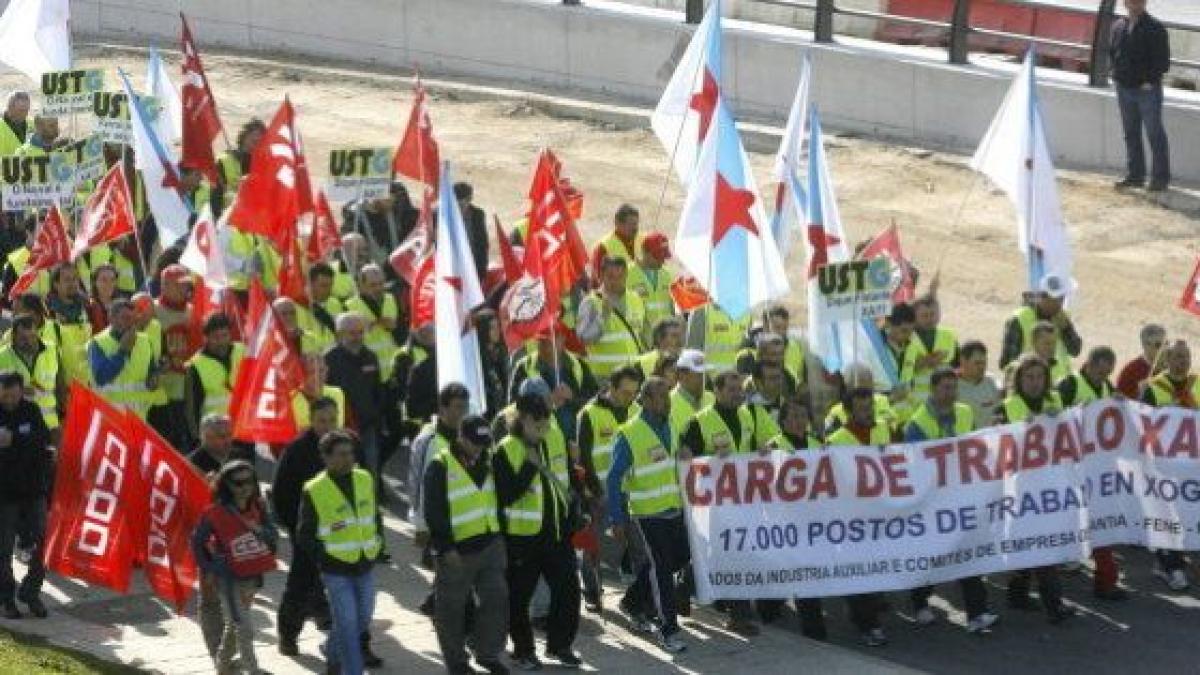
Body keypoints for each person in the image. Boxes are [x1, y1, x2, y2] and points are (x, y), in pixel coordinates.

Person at [904, 368, 999, 634]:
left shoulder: (965, 412)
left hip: (960, 497)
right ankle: (920, 603)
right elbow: (916, 466)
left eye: (953, 387)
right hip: (932, 502)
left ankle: (977, 613)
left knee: (967, 553)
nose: (950, 393)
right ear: (933, 389)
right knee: (930, 557)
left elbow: (974, 446)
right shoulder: (918, 423)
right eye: (945, 388)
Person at [679, 370, 774, 636]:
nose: (737, 394)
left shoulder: (749, 416)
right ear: (717, 391)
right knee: (720, 552)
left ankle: (734, 613)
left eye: (740, 389)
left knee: (734, 552)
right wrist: (711, 459)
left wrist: (764, 450)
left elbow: (760, 448)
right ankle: (686, 589)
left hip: (744, 500)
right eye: (731, 389)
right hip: (712, 505)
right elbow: (686, 461)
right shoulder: (698, 422)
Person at [494, 393, 584, 670]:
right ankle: (523, 650)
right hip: (522, 539)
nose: (543, 429)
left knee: (569, 592)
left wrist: (576, 511)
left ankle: (560, 646)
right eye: (537, 424)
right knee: (519, 598)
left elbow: (566, 476)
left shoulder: (554, 436)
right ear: (521, 419)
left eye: (547, 422)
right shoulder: (506, 449)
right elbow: (504, 495)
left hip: (557, 533)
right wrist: (528, 468)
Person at [606, 376, 689, 653]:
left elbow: (674, 460)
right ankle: (669, 630)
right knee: (662, 570)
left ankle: (632, 601)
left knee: (678, 558)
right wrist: (616, 518)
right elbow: (614, 478)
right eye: (662, 397)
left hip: (673, 510)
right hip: (646, 514)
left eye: (668, 396)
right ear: (647, 400)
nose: (667, 402)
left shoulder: (671, 424)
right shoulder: (629, 433)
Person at [424, 415, 510, 675]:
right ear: (461, 437)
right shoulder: (440, 465)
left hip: (490, 544)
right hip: (457, 551)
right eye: (475, 443)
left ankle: (487, 653)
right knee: (451, 609)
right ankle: (456, 661)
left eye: (484, 442)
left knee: (497, 599)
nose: (479, 447)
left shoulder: (488, 459)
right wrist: (445, 547)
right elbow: (434, 511)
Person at [298, 431, 385, 675]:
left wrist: (379, 543)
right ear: (326, 458)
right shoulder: (314, 489)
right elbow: (305, 534)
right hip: (336, 570)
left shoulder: (364, 478)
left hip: (364, 563)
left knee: (362, 618)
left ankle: (332, 650)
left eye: (351, 453)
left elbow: (374, 515)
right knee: (348, 623)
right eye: (341, 454)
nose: (348, 459)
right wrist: (324, 558)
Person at [996, 355, 1075, 622]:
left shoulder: (1055, 403)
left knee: (1038, 543)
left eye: (1039, 377)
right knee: (1034, 544)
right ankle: (1053, 605)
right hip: (1020, 488)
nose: (1034, 382)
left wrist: (1060, 420)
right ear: (1019, 380)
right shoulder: (1007, 407)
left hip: (1050, 487)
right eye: (1029, 377)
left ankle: (1020, 597)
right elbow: (995, 446)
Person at [191, 460, 278, 675]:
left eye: (249, 481)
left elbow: (272, 535)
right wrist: (210, 568)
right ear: (227, 485)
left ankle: (222, 663)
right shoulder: (214, 512)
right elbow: (196, 542)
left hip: (252, 574)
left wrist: (258, 530)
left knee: (235, 624)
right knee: (243, 626)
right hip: (228, 579)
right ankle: (253, 668)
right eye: (238, 483)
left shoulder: (259, 505)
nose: (245, 487)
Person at [1056, 347, 1126, 601]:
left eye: (1108, 372)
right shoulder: (1068, 385)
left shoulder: (1107, 387)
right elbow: (1054, 421)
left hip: (1096, 470)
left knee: (1100, 525)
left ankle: (1106, 582)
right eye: (1101, 370)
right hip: (1071, 469)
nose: (1104, 376)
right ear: (1089, 364)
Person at [272, 397, 340, 656]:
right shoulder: (297, 450)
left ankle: (352, 638)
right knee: (300, 583)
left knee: (347, 585)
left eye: (332, 419)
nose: (328, 425)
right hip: (308, 532)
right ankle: (288, 635)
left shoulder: (348, 445)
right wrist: (298, 528)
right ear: (311, 421)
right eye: (322, 420)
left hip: (343, 531)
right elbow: (281, 494)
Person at [825, 388, 893, 645]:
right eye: (862, 408)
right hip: (851, 518)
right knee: (859, 573)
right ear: (850, 411)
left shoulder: (884, 430)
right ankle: (869, 626)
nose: (868, 412)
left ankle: (863, 613)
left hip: (880, 514)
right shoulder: (837, 440)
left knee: (874, 570)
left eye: (870, 407)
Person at [1141, 340, 1199, 591]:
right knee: (1168, 516)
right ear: (1166, 359)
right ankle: (1169, 566)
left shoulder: (1197, 384)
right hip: (1164, 466)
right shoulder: (1153, 390)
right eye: (1177, 357)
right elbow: (1140, 429)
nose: (1183, 361)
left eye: (1186, 356)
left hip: (1194, 465)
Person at [0, 372, 52, 619]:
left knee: (42, 541)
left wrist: (15, 439)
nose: (8, 400)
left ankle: (31, 592)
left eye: (12, 394)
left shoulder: (31, 411)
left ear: (21, 391)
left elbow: (43, 439)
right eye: (3, 395)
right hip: (5, 494)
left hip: (33, 490)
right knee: (4, 547)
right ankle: (7, 598)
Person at [1111, 0, 1171, 192]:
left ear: (1144, 3)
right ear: (1124, 3)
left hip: (1147, 91)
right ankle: (1135, 175)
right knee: (1131, 133)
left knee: (1154, 134)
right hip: (1124, 88)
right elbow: (1114, 53)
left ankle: (1160, 179)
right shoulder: (1119, 26)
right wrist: (1117, 77)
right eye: (1130, 0)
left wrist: (1149, 81)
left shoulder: (1155, 28)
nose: (1134, 4)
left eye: (1138, 1)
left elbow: (1163, 62)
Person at [325, 312, 386, 476]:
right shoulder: (329, 360)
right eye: (352, 333)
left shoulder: (370, 357)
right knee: (342, 469)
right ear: (340, 334)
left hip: (367, 426)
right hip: (341, 427)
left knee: (370, 469)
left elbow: (377, 389)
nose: (358, 337)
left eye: (360, 332)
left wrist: (377, 415)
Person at [576, 256, 645, 381]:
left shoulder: (635, 299)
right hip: (604, 377)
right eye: (611, 277)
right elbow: (584, 338)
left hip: (633, 374)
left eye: (620, 276)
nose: (616, 281)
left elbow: (641, 335)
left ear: (626, 275)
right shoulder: (590, 302)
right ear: (601, 276)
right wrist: (603, 318)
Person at [88, 299, 159, 420]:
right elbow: (101, 377)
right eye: (125, 318)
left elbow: (151, 374)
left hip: (138, 419)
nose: (130, 324)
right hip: (110, 418)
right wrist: (122, 351)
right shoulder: (97, 343)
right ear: (111, 319)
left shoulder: (145, 341)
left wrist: (154, 379)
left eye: (133, 319)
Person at [998, 274, 1082, 372]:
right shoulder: (1019, 319)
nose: (1060, 304)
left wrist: (1066, 328)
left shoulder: (1062, 318)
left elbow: (1075, 351)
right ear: (1043, 297)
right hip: (1031, 384)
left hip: (1059, 384)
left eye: (1061, 299)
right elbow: (1007, 363)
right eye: (1056, 299)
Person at [185, 313, 244, 440]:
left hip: (242, 429)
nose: (222, 341)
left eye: (225, 335)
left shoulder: (242, 351)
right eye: (216, 337)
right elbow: (192, 410)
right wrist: (197, 439)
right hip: (215, 435)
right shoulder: (195, 366)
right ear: (206, 338)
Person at [0, 314, 62, 435]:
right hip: (17, 425)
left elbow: (60, 382)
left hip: (50, 424)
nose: (29, 342)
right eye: (23, 338)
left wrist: (63, 414)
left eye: (33, 336)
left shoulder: (52, 349)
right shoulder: (2, 356)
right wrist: (19, 391)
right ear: (13, 336)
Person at [345, 264, 401, 382]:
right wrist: (376, 323)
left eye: (381, 283)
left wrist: (384, 324)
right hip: (369, 370)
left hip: (392, 368)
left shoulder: (390, 298)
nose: (378, 288)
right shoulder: (349, 305)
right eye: (373, 285)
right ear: (361, 285)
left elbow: (395, 327)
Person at [44, 263, 94, 385]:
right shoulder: (47, 311)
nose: (72, 283)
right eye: (67, 280)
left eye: (75, 279)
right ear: (56, 284)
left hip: (89, 382)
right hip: (62, 383)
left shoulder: (89, 307)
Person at [626, 232, 674, 343]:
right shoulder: (627, 274)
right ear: (645, 253)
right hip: (640, 345)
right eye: (658, 257)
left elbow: (672, 310)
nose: (662, 261)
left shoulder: (666, 275)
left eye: (664, 257)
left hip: (665, 343)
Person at [685, 303, 749, 374]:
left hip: (739, 380)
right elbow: (692, 354)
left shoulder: (747, 313)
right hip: (712, 379)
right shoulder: (701, 310)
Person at [669, 349, 714, 441]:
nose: (703, 379)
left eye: (704, 374)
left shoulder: (712, 398)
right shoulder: (667, 403)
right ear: (682, 375)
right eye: (698, 374)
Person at [188, 414, 253, 478]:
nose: (228, 440)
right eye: (222, 436)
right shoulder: (191, 465)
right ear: (207, 437)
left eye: (230, 434)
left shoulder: (240, 456)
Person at [956, 340, 1001, 431]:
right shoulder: (951, 386)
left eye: (984, 363)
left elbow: (999, 412)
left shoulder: (991, 383)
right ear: (963, 361)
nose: (982, 367)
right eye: (977, 363)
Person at [590, 203, 640, 280]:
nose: (635, 228)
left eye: (636, 224)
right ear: (617, 223)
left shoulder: (644, 240)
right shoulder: (603, 247)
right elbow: (597, 279)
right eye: (630, 224)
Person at [1117, 323, 1166, 398]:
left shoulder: (1172, 369)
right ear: (1145, 345)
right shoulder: (1130, 371)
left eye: (1166, 344)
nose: (1164, 348)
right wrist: (1139, 392)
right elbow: (1120, 402)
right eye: (1158, 345)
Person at [0, 91, 30, 157]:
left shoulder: (31, 124)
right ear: (10, 107)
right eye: (21, 110)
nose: (25, 114)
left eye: (27, 110)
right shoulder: (1, 126)